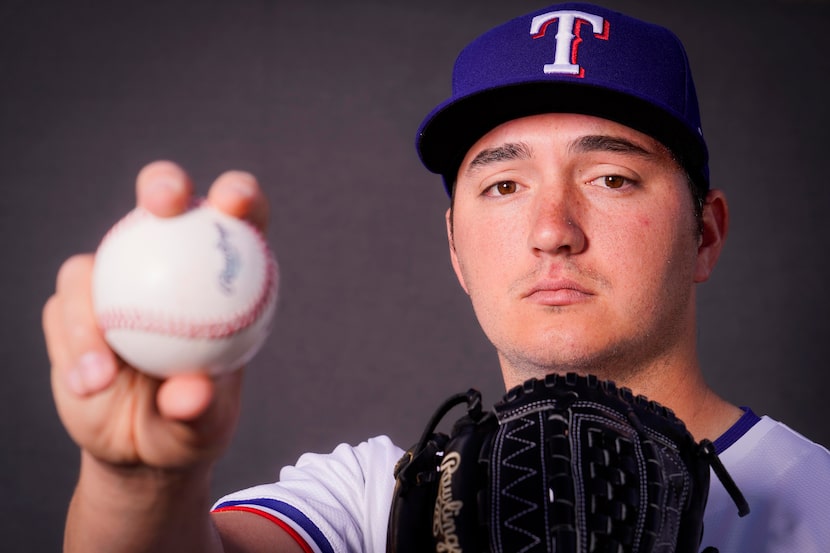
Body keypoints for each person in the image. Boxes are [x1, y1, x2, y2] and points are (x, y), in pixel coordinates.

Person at [44, 3, 830, 552]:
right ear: (456, 246)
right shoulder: (371, 503)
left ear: (706, 233)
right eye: (503, 185)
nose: (554, 230)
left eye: (613, 179)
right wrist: (138, 484)